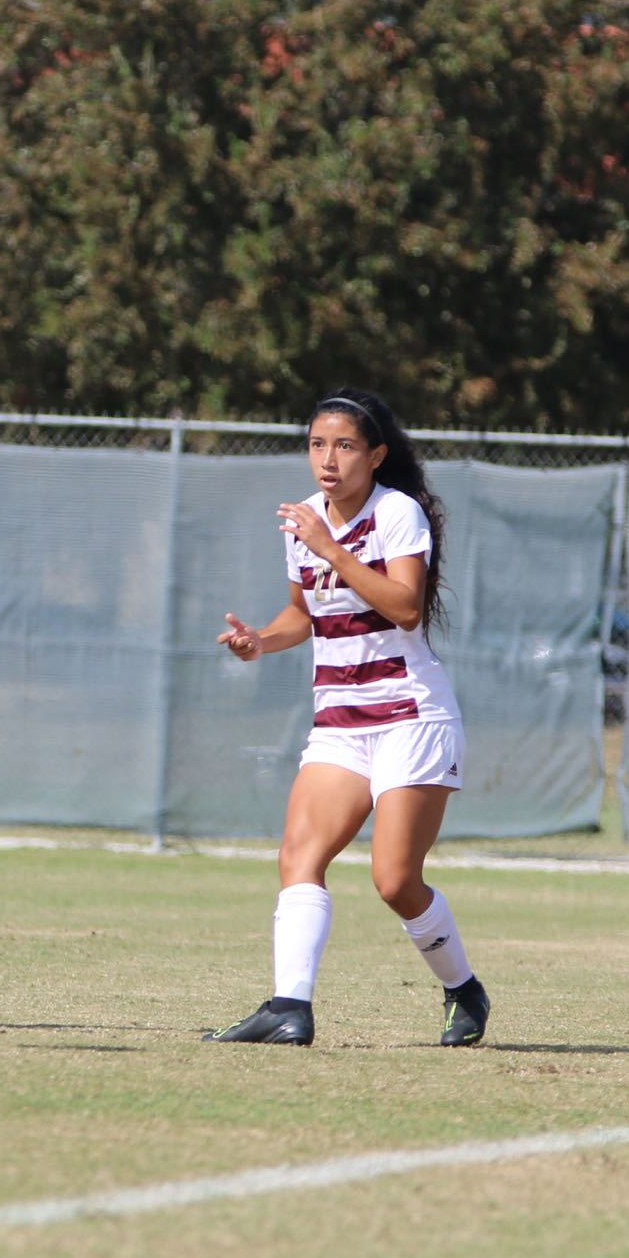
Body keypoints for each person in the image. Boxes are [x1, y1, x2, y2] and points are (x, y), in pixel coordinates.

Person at [207, 387, 488, 1048]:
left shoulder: (397, 514)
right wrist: (260, 641)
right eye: (316, 444)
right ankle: (289, 1008)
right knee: (298, 857)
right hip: (340, 723)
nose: (327, 459)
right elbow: (303, 615)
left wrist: (332, 550)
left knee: (393, 880)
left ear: (376, 455)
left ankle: (464, 990)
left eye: (344, 445)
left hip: (410, 718)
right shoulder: (302, 518)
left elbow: (405, 607)